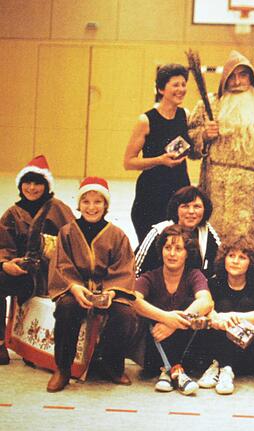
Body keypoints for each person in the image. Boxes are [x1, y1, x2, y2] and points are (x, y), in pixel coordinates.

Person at [46, 177, 137, 392]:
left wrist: (111, 293)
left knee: (126, 314)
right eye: (86, 201)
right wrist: (75, 287)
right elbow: (61, 265)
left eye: (98, 202)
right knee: (67, 308)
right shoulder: (67, 232)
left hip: (107, 290)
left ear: (106, 205)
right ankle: (63, 368)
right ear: (78, 204)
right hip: (75, 288)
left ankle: (111, 364)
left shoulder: (117, 235)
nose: (92, 207)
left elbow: (125, 267)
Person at [188, 50, 254, 242]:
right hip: (215, 189)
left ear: (252, 77)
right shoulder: (209, 104)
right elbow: (189, 145)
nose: (237, 82)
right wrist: (203, 136)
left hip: (253, 192)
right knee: (213, 242)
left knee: (246, 247)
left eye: (243, 75)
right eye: (231, 76)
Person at [0, 156, 75, 364]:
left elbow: (74, 242)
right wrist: (6, 264)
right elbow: (3, 245)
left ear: (46, 185)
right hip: (23, 274)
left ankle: (38, 347)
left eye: (38, 183)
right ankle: (0, 344)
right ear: (20, 185)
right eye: (27, 182)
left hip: (54, 276)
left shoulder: (58, 209)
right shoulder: (12, 214)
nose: (32, 188)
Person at [133, 224, 214, 396]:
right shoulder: (150, 276)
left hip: (187, 352)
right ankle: (175, 370)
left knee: (189, 304)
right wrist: (165, 318)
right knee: (152, 309)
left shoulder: (194, 275)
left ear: (187, 253)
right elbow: (133, 300)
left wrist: (173, 324)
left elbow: (206, 301)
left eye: (178, 249)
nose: (171, 253)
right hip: (153, 351)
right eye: (167, 247)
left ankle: (169, 370)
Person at [124, 63, 191, 241]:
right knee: (152, 249)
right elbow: (129, 162)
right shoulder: (146, 120)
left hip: (179, 190)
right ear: (161, 89)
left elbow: (193, 150)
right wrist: (160, 160)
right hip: (151, 193)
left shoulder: (186, 115)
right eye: (175, 85)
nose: (181, 89)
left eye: (184, 84)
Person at [197, 236, 254, 395]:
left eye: (242, 257)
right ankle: (224, 368)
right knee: (222, 305)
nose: (235, 261)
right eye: (231, 256)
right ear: (224, 258)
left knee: (245, 305)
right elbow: (203, 313)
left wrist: (229, 316)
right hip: (216, 353)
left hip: (249, 357)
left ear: (251, 263)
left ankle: (224, 368)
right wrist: (214, 317)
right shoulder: (213, 285)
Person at [134, 186, 220, 278]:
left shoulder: (207, 232)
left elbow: (217, 266)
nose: (191, 211)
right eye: (185, 206)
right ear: (176, 209)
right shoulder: (159, 232)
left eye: (197, 206)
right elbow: (135, 269)